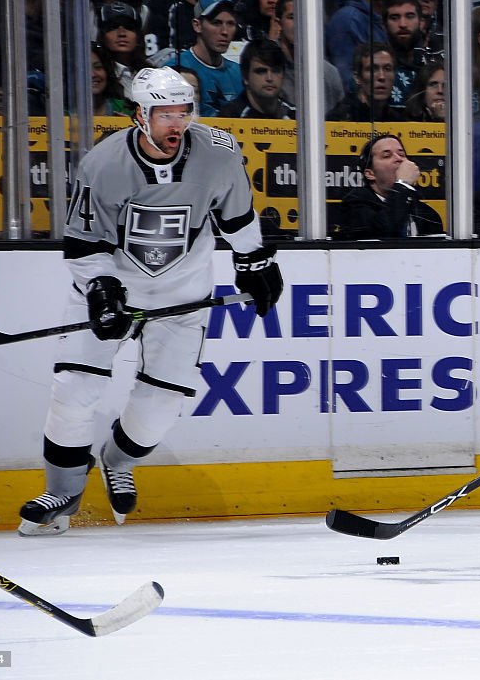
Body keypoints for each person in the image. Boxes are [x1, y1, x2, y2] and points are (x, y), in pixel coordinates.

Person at [17, 67, 283, 536]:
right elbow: (82, 244)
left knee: (160, 409)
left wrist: (255, 263)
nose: (176, 124)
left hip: (182, 297)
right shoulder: (103, 165)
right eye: (164, 114)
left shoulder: (219, 155)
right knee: (75, 390)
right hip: (112, 290)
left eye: (183, 113)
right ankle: (63, 490)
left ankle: (116, 459)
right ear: (140, 115)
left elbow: (237, 215)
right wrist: (101, 289)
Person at [331, 134, 444, 240]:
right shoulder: (355, 204)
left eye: (401, 154)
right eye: (387, 156)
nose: (398, 159)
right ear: (370, 174)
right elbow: (382, 236)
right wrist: (403, 184)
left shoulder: (427, 213)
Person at [170, 0, 243, 117]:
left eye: (230, 23)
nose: (225, 31)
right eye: (216, 23)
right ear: (197, 25)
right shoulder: (175, 70)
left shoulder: (239, 72)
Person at [275, 0, 344, 112]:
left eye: (304, 16)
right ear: (279, 23)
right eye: (292, 17)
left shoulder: (329, 73)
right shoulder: (267, 68)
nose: (299, 23)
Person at [325, 42, 405, 121]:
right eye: (373, 69)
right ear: (357, 77)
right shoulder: (338, 119)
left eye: (387, 69)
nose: (382, 76)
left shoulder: (399, 122)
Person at [218, 38, 296, 118]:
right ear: (245, 77)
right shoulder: (229, 116)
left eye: (276, 71)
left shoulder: (294, 115)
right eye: (261, 71)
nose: (269, 78)